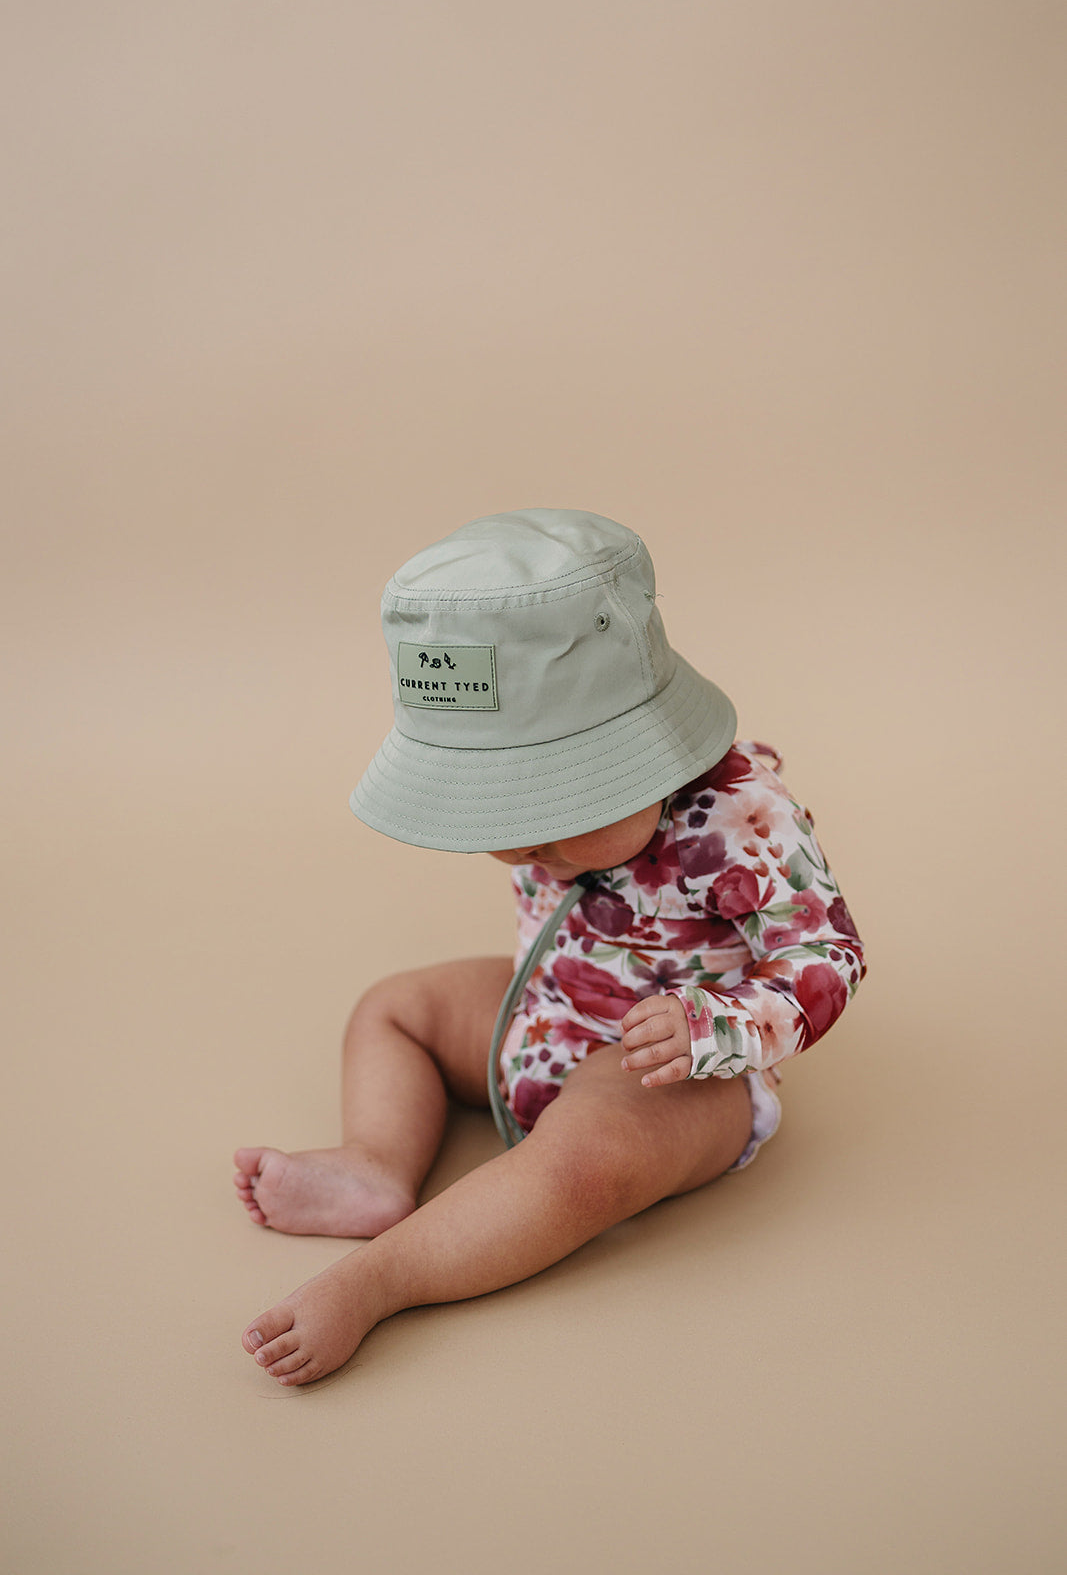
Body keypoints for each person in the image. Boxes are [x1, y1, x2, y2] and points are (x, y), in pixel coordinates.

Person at [235, 509, 865, 1386]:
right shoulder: (543, 838)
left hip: (666, 1069)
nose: (523, 845)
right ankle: (375, 1163)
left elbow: (826, 952)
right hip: (539, 1012)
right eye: (496, 811)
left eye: (552, 808)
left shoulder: (741, 814)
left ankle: (383, 1278)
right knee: (393, 1008)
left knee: (586, 1162)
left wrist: (713, 1027)